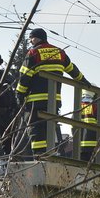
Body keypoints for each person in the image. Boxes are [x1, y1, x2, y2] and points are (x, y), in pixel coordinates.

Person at [15, 28, 88, 157]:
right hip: (54, 101)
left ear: (37, 38)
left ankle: (39, 156)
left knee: (36, 130)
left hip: (35, 102)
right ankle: (52, 154)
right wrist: (84, 82)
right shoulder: (59, 52)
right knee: (50, 127)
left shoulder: (33, 53)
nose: (30, 41)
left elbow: (24, 76)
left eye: (31, 38)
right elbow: (73, 70)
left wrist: (19, 96)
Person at [79, 91, 99, 163]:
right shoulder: (96, 106)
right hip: (94, 146)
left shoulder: (78, 106)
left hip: (80, 146)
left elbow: (72, 124)